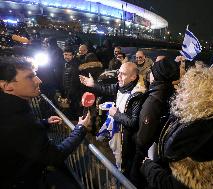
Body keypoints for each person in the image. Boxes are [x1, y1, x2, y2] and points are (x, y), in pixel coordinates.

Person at [141, 67, 213, 189]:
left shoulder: (200, 132)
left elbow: (176, 184)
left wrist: (148, 167)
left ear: (199, 94)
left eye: (185, 88)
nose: (179, 90)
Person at [0, 56, 91, 189]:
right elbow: (55, 156)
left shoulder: (12, 111)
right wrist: (80, 129)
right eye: (30, 77)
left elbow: (18, 135)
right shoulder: (17, 118)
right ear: (6, 86)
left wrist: (44, 122)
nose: (39, 80)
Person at [79, 62, 146, 177]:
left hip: (127, 141)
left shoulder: (138, 95)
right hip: (118, 134)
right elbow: (108, 89)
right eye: (118, 73)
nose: (118, 76)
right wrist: (93, 84)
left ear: (133, 77)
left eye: (123, 74)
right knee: (117, 158)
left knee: (124, 164)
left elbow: (134, 123)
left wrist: (116, 114)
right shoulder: (123, 84)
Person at [131, 57, 180, 187]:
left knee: (135, 180)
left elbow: (142, 139)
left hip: (146, 153)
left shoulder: (153, 101)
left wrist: (133, 137)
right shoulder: (171, 93)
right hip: (159, 151)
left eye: (152, 71)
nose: (150, 74)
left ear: (157, 76)